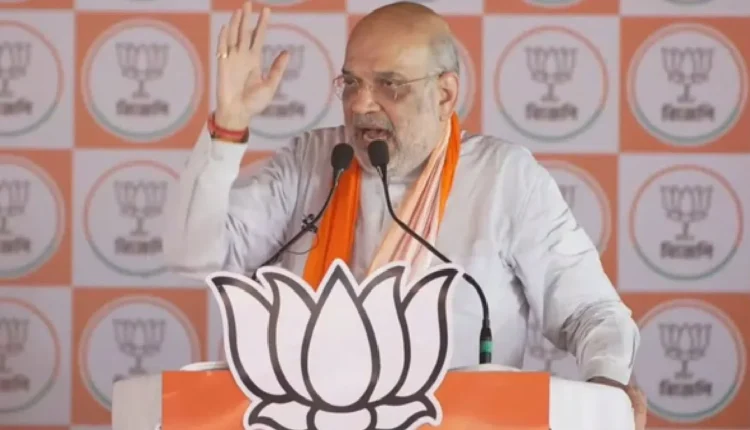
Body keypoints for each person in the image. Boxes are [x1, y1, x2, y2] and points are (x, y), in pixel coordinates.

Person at [164, 0, 643, 418]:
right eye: (351, 83)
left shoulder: (504, 177)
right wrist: (229, 125)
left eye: (389, 85)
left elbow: (590, 311)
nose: (360, 104)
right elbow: (195, 256)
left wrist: (607, 388)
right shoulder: (314, 160)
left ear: (445, 94)